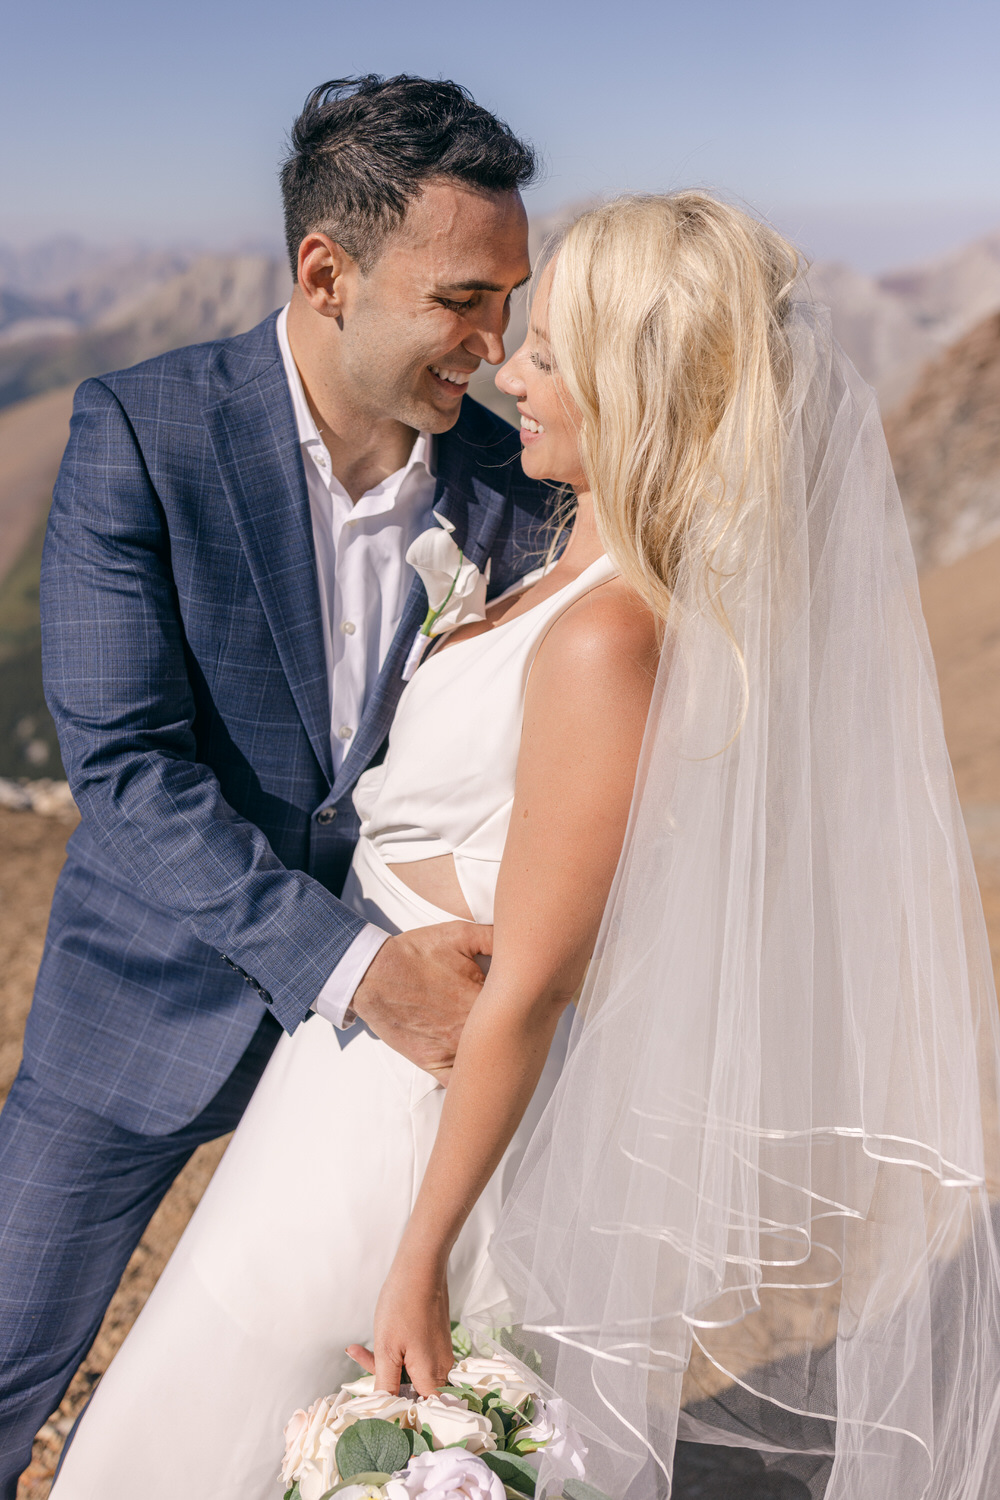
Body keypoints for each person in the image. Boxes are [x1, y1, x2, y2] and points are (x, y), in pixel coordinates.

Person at [54, 193, 1000, 1500]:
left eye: (550, 352)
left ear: (635, 390)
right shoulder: (566, 570)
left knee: (198, 1442)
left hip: (405, 1132)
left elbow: (535, 987)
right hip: (340, 1090)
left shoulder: (610, 640)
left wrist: (418, 1260)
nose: (508, 372)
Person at [0, 75, 549, 1497]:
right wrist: (364, 971)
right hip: (149, 1008)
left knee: (339, 1408)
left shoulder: (515, 486)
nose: (494, 347)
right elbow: (124, 766)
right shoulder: (145, 431)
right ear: (326, 273)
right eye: (463, 301)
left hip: (391, 1083)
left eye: (511, 303)